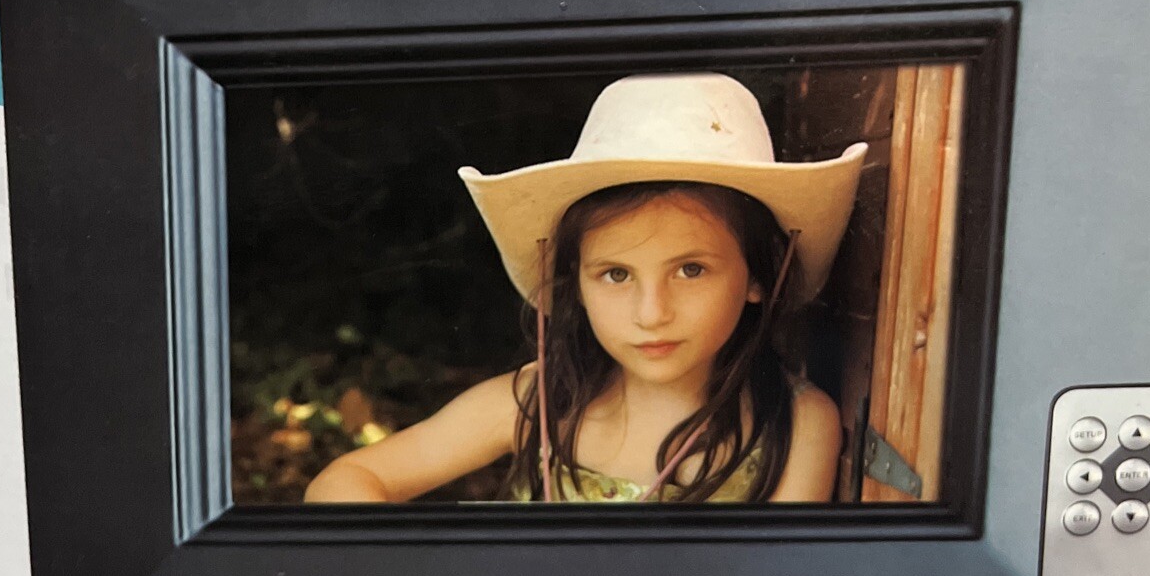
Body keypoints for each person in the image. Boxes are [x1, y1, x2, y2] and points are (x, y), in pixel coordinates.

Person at [305, 73, 866, 505]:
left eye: (691, 270)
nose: (652, 313)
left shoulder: (795, 425)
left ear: (759, 276)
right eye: (616, 275)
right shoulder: (537, 404)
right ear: (576, 281)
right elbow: (349, 479)